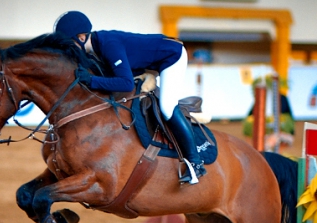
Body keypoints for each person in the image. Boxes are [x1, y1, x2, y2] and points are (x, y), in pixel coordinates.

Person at [53, 10, 206, 185]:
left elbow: (126, 84)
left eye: (68, 44)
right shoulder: (91, 50)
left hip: (172, 56)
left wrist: (92, 80)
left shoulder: (108, 45)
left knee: (166, 106)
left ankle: (196, 163)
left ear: (81, 37)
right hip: (149, 62)